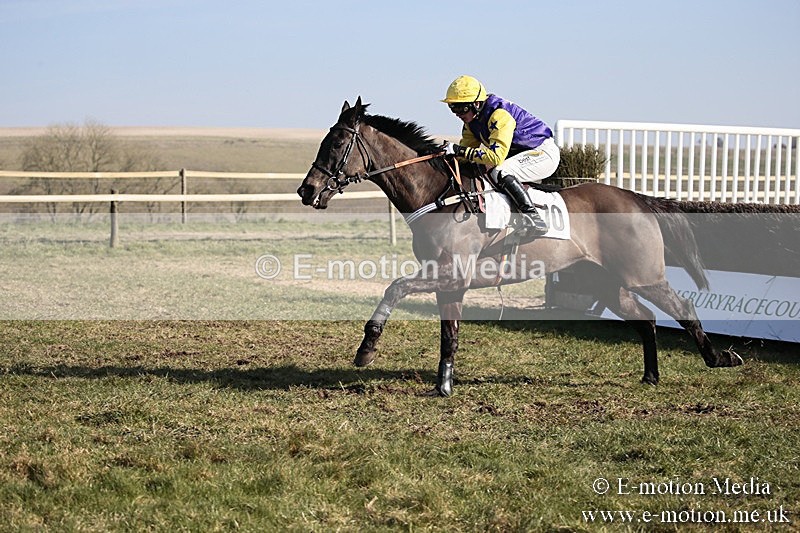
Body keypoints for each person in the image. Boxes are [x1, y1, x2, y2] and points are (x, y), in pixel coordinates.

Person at [441, 75, 560, 236]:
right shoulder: (471, 123)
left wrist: (459, 150)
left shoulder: (499, 115)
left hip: (543, 153)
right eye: (452, 108)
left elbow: (495, 158)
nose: (457, 113)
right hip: (522, 155)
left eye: (461, 108)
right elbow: (464, 155)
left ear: (476, 104)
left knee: (501, 171)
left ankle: (533, 218)